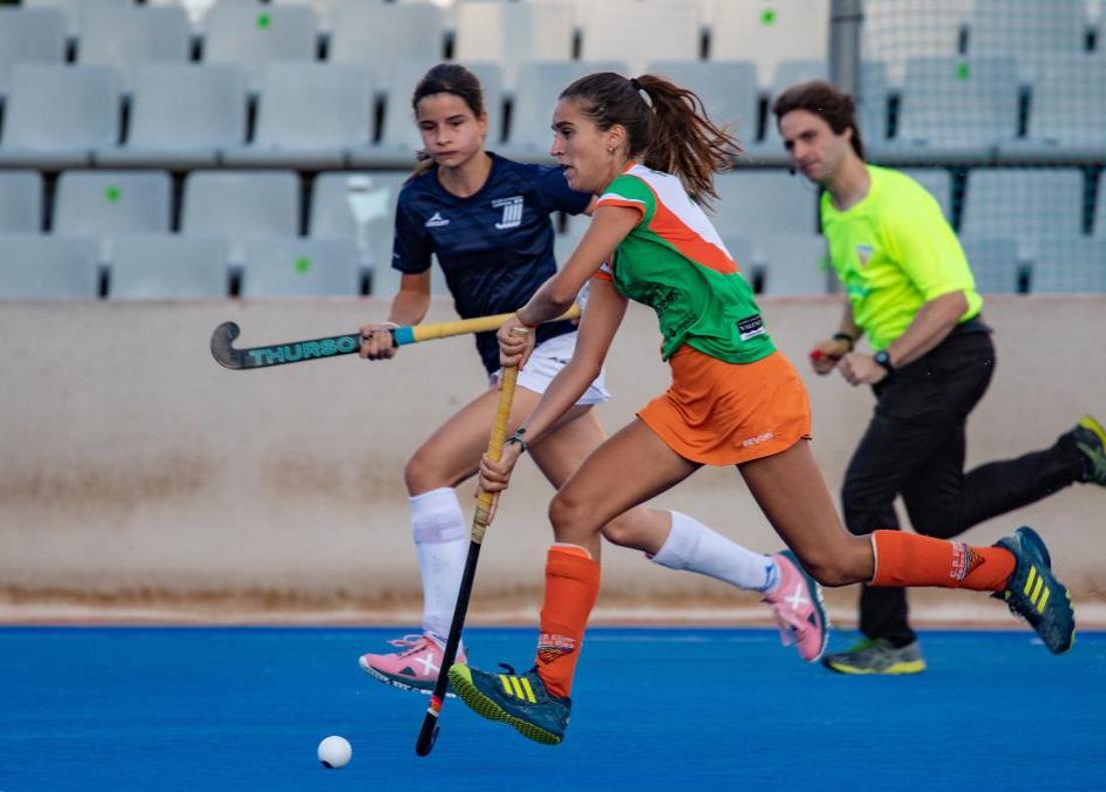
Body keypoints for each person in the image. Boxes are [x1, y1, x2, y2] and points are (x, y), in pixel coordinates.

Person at [447, 71, 1076, 746]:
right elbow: (584, 364)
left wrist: (525, 316)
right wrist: (518, 443)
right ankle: (550, 691)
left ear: (615, 138)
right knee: (574, 507)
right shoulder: (613, 234)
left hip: (748, 388)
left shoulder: (632, 194)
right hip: (694, 398)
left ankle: (1006, 568)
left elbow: (558, 288)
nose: (557, 148)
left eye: (567, 133)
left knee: (833, 561)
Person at [356, 64, 829, 697]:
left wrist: (575, 288)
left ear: (482, 123)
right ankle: (776, 578)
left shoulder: (529, 182)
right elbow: (413, 296)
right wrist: (390, 326)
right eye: (429, 127)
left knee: (427, 471)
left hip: (554, 354)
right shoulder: (418, 202)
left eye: (456, 122)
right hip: (511, 366)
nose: (442, 137)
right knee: (614, 520)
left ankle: (440, 646)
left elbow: (622, 209)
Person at [769, 79, 1104, 675]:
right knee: (940, 515)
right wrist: (846, 340)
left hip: (948, 359)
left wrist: (885, 359)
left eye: (810, 136)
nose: (800, 152)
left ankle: (891, 639)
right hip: (917, 370)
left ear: (846, 131)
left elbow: (951, 300)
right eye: (790, 142)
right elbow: (859, 283)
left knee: (864, 493)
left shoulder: (898, 202)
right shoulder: (833, 207)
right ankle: (1077, 455)